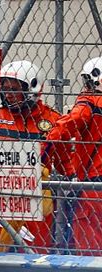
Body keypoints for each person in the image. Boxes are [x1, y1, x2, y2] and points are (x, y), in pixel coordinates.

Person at [0, 60, 61, 252]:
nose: (8, 94)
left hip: (38, 196)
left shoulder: (52, 119)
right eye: (5, 88)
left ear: (32, 87)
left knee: (36, 253)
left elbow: (64, 161)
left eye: (14, 89)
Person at [42, 57, 102, 255]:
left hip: (94, 187)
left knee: (90, 249)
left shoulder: (90, 105)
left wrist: (39, 159)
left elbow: (60, 131)